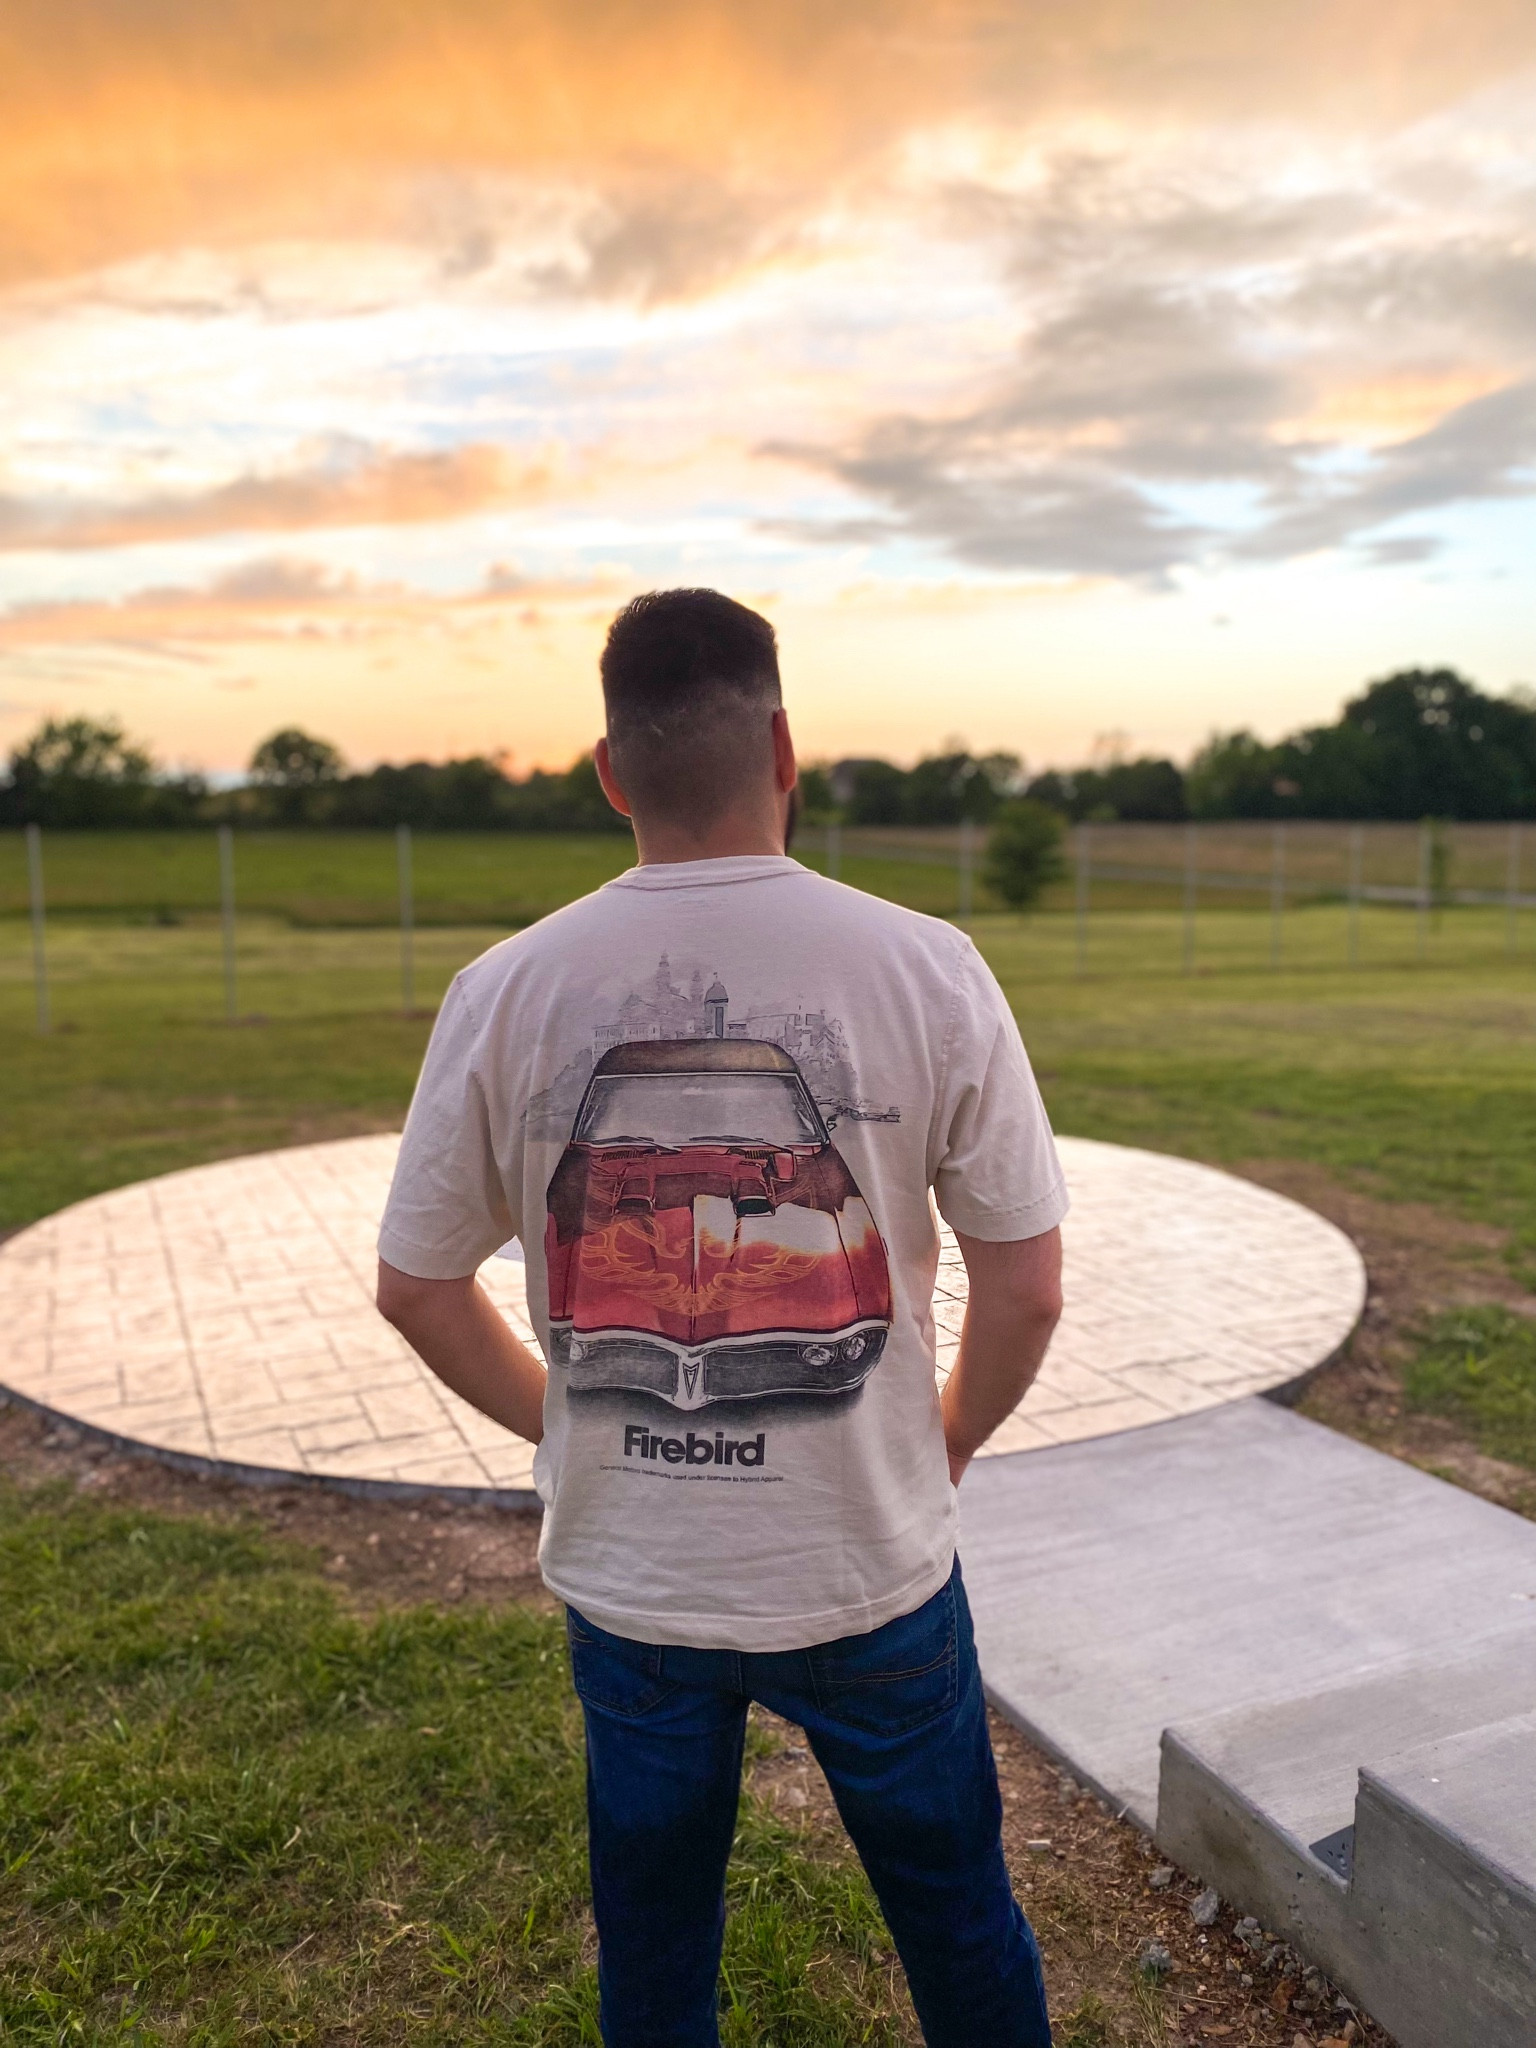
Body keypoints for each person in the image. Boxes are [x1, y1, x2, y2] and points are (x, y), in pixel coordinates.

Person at [376, 588, 1066, 2048]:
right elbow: (1029, 1281)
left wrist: (567, 1422)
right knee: (957, 1927)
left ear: (610, 770)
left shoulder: (502, 990)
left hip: (635, 1582)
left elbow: (418, 1289)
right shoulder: (927, 964)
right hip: (872, 1564)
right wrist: (942, 1442)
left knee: (657, 1958)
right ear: (787, 748)